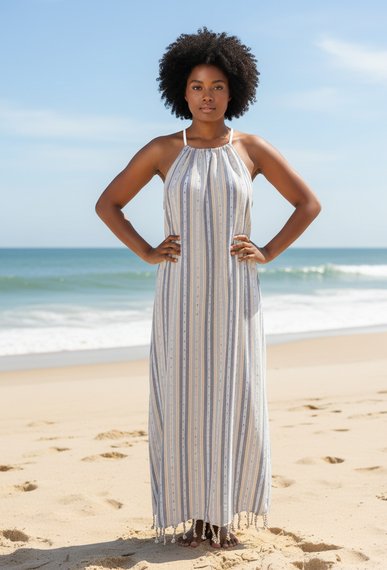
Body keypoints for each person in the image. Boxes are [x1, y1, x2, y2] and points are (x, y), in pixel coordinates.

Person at [95, 28, 321, 550]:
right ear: (182, 91)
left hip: (235, 293)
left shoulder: (252, 149)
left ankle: (222, 515)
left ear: (234, 90)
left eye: (217, 86)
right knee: (181, 398)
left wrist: (267, 250)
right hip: (178, 293)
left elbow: (307, 204)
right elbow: (109, 204)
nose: (207, 96)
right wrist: (148, 250)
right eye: (197, 86)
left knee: (233, 396)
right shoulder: (161, 150)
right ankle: (191, 515)